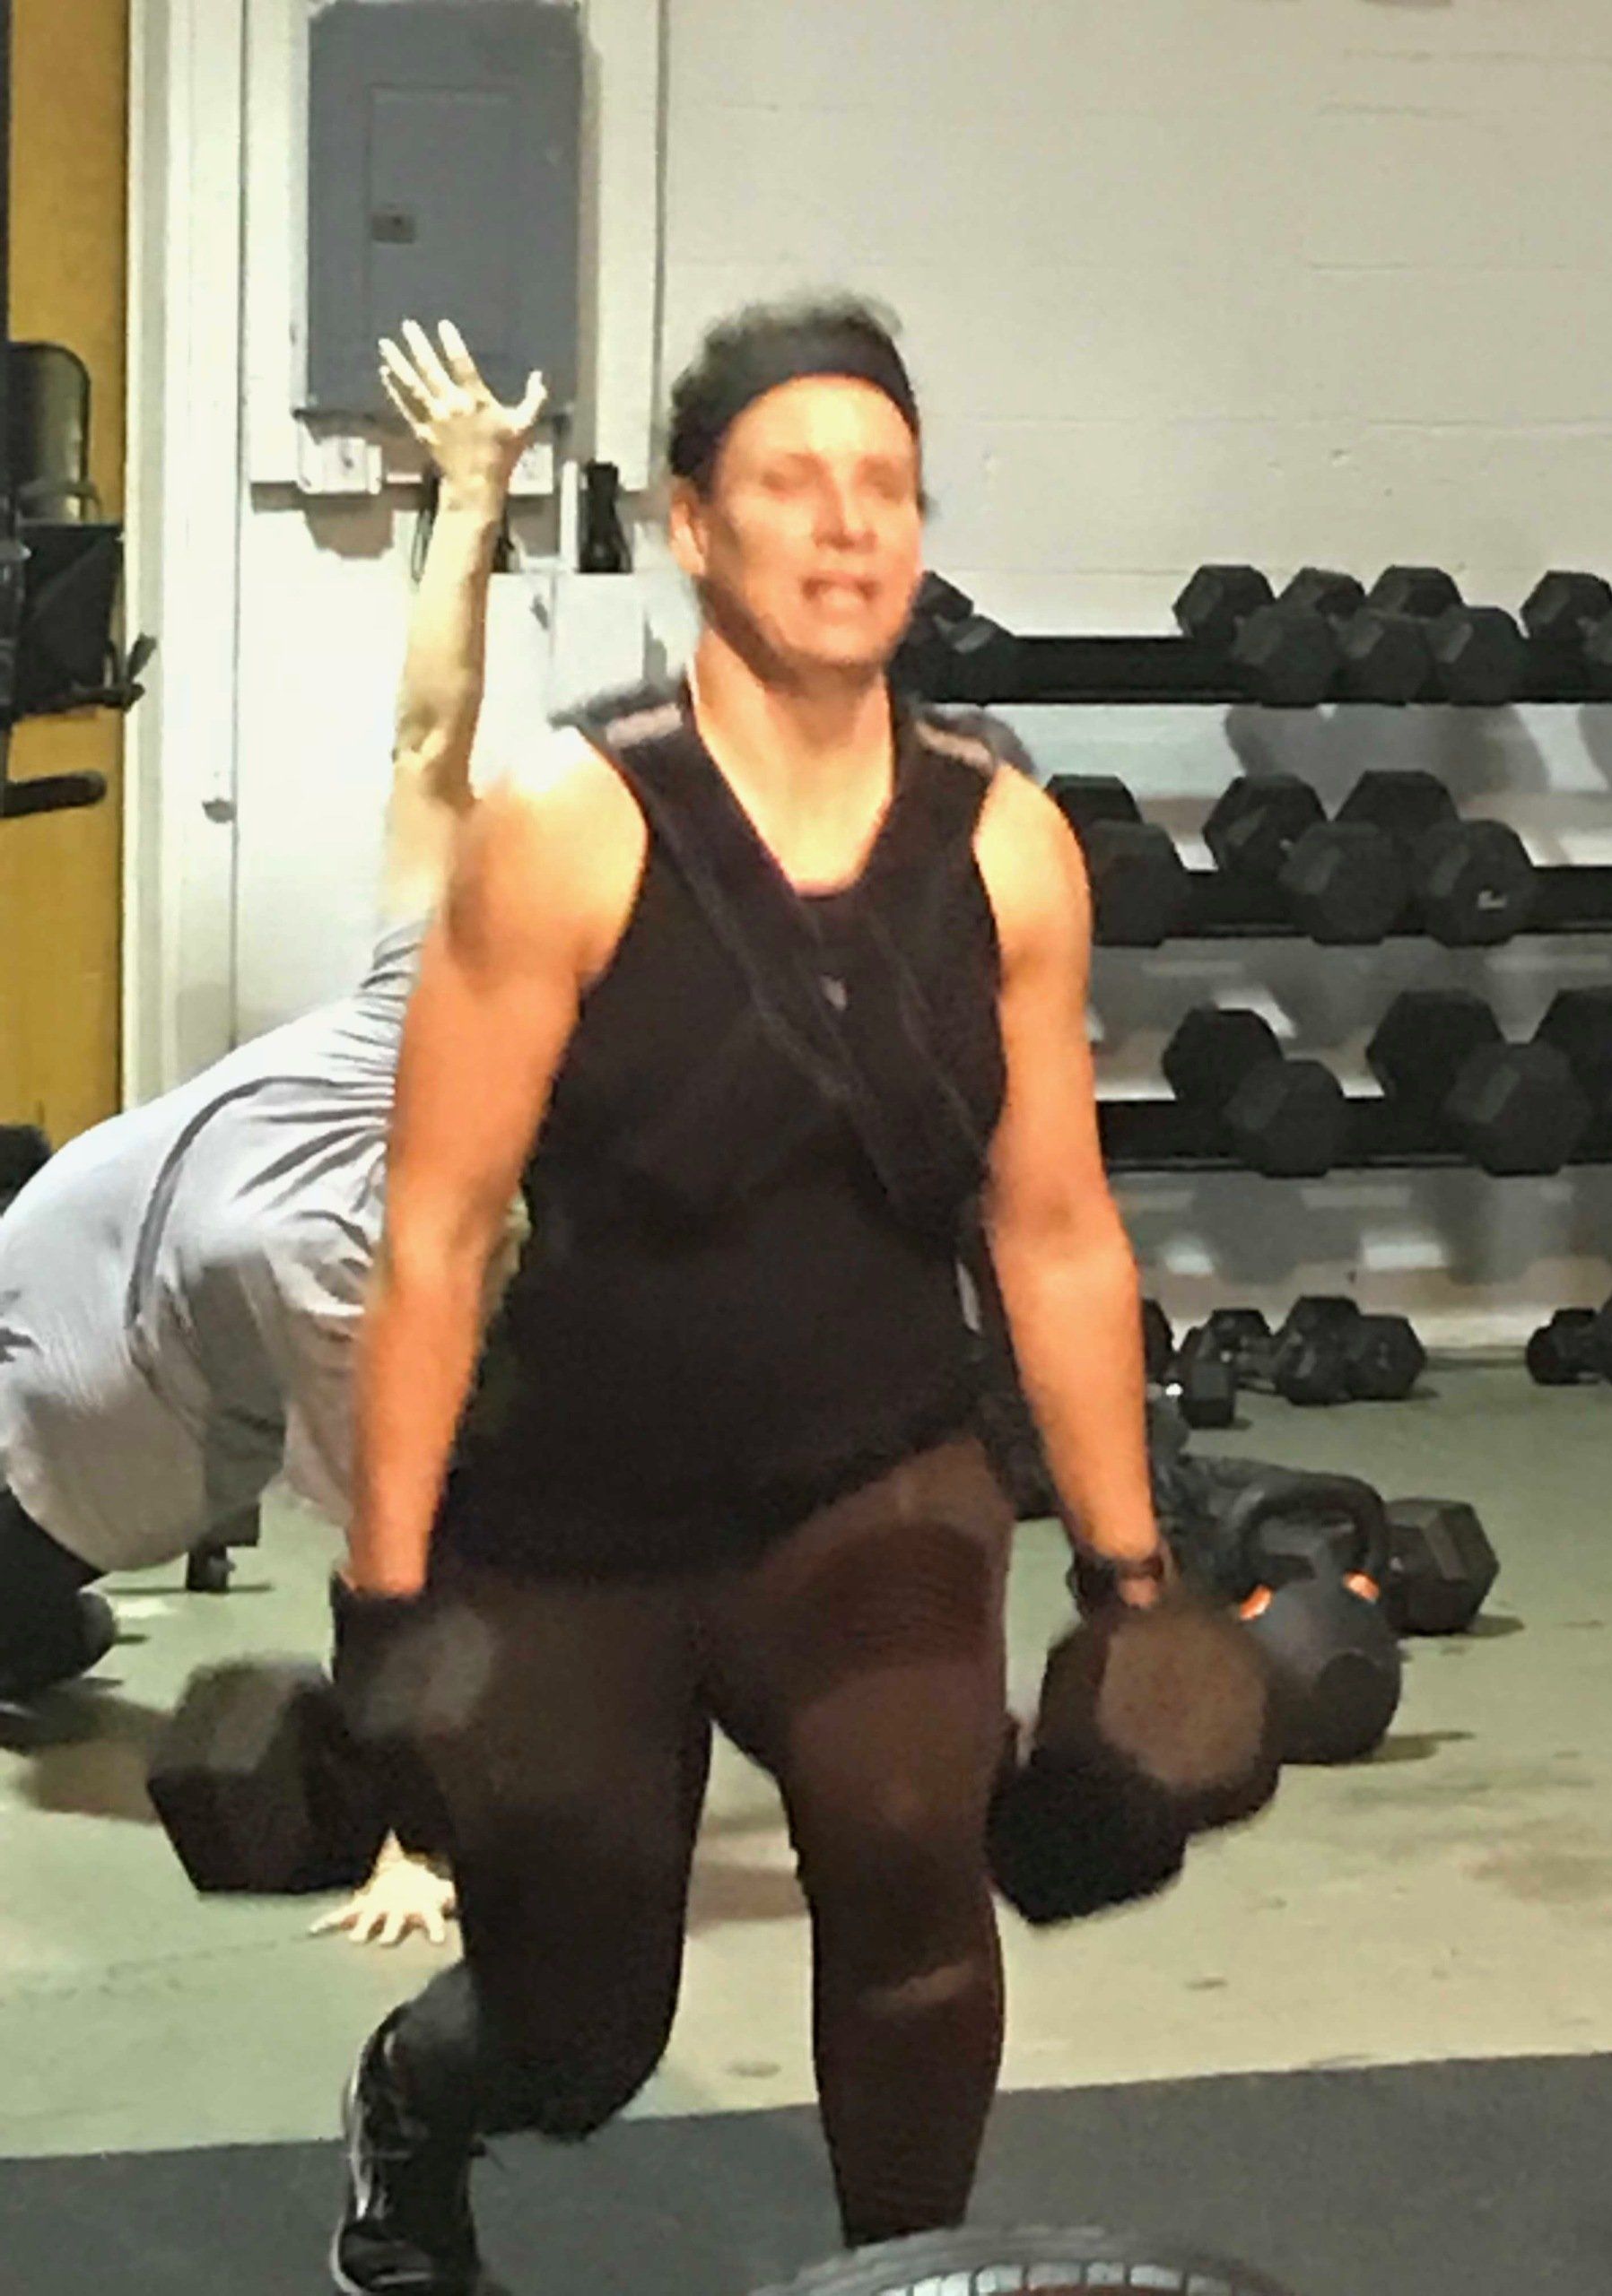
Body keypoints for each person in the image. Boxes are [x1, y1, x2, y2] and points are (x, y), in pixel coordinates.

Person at [327, 294, 1169, 2295]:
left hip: (871, 1477)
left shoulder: (1009, 847)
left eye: (886, 485)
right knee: (580, 2024)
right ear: (693, 525)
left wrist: (1136, 1577)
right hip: (578, 1524)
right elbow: (435, 1225)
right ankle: (417, 2104)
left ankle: (911, 2275)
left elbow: (1054, 1225)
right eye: (795, 482)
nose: (848, 523)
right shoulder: (564, 830)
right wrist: (383, 1593)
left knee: (912, 1849)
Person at [0, 321, 541, 1943]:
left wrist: (417, 1846)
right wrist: (471, 498)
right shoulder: (424, 1005)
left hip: (26, 1501)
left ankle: (45, 1641)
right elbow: (430, 740)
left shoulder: (346, 1263)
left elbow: (389, 1574)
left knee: (41, 1642)